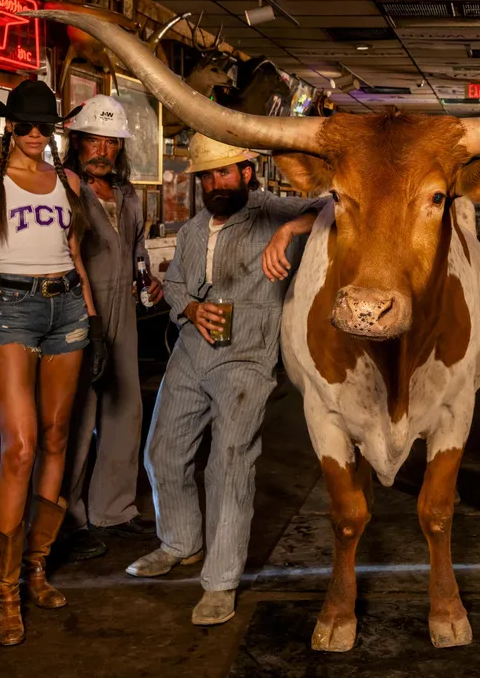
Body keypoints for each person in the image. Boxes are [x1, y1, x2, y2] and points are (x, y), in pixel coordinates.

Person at [127, 134, 319, 626]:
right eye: (207, 176)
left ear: (247, 172)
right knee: (163, 451)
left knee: (229, 464)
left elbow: (335, 206)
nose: (216, 183)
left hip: (248, 356)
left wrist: (287, 233)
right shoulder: (193, 230)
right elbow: (173, 287)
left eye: (225, 173)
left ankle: (220, 582)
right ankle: (180, 541)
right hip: (192, 349)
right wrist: (189, 305)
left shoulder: (273, 212)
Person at [0, 81, 102, 646]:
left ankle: (37, 565)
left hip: (66, 305)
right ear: (9, 126)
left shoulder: (67, 182)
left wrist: (93, 318)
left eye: (46, 127)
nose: (37, 137)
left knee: (55, 436)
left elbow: (75, 255)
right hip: (12, 309)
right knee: (16, 446)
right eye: (27, 126)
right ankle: (3, 587)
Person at [59, 95, 163, 561]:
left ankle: (113, 510)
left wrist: (150, 279)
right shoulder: (63, 189)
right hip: (79, 312)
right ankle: (67, 516)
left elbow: (137, 250)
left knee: (125, 412)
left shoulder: (127, 195)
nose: (102, 150)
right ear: (75, 142)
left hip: (125, 307)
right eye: (93, 140)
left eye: (111, 142)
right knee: (78, 417)